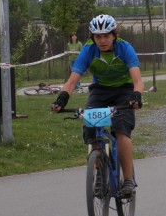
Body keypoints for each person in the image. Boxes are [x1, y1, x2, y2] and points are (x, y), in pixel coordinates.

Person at [52, 14, 144, 196]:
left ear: (114, 35)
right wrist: (61, 99)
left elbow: (138, 81)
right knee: (92, 129)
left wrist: (136, 96)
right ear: (92, 37)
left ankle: (128, 180)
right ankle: (100, 173)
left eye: (106, 36)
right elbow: (72, 81)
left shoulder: (124, 48)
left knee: (120, 129)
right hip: (100, 91)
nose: (102, 40)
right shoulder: (88, 51)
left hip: (124, 91)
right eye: (97, 36)